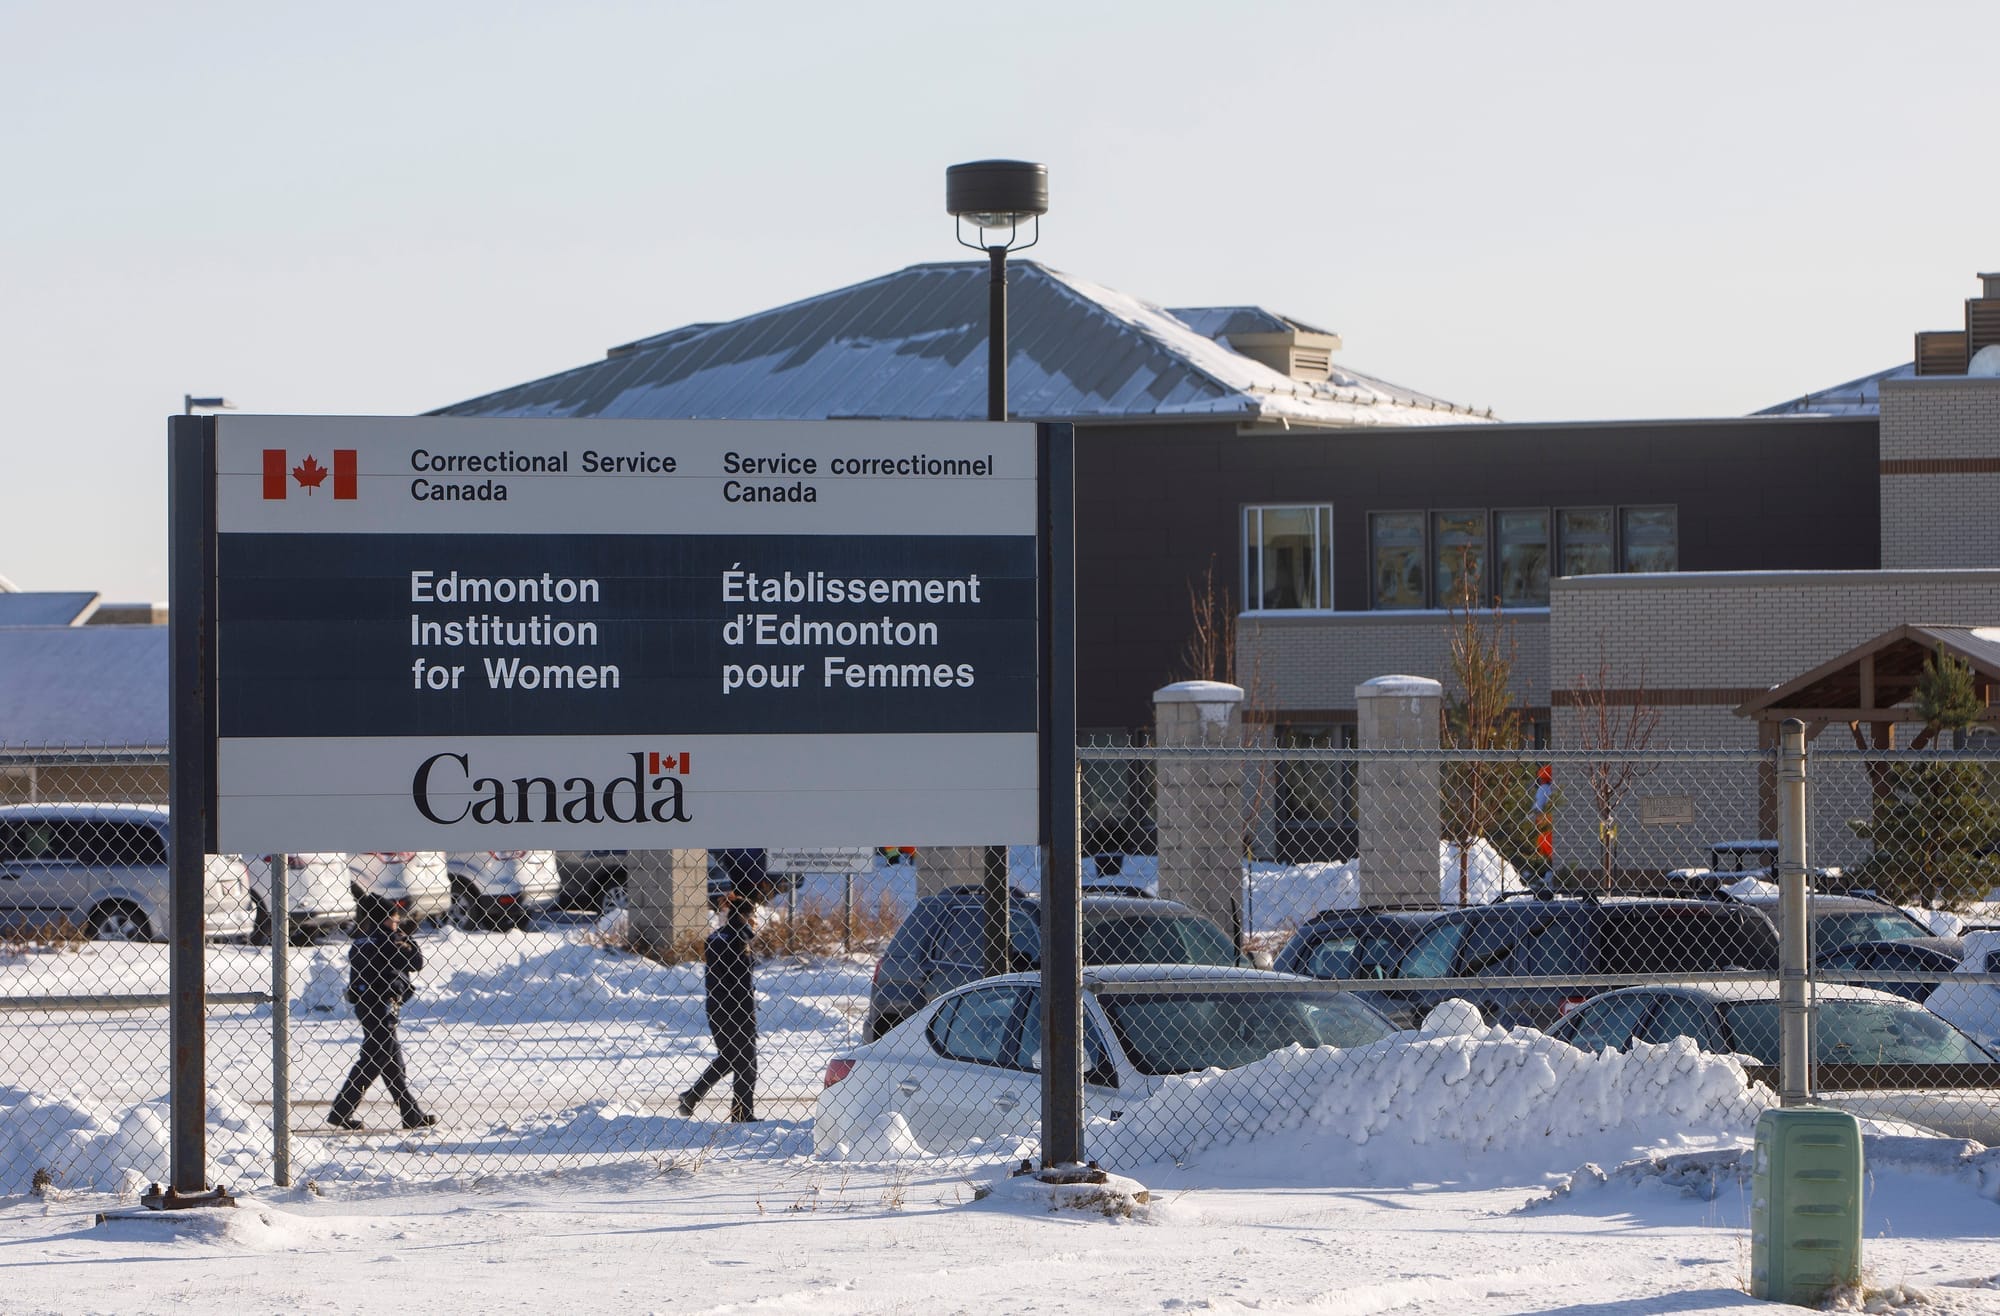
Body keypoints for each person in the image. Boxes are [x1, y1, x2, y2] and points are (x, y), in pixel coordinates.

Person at [328, 900, 437, 1130]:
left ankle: (411, 1114)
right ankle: (341, 1111)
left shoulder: (361, 940)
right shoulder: (388, 940)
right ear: (386, 919)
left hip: (366, 1003)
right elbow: (416, 963)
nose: (398, 922)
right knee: (374, 1060)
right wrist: (409, 941)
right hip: (382, 1005)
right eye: (395, 918)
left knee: (390, 1061)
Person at [678, 883, 758, 1122]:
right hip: (738, 1007)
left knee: (729, 1057)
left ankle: (692, 1095)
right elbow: (741, 971)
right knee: (746, 1061)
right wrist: (745, 936)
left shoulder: (717, 938)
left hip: (717, 1007)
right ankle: (742, 1113)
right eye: (751, 918)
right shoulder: (737, 940)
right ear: (744, 917)